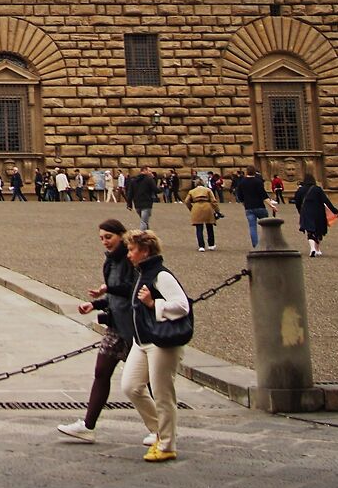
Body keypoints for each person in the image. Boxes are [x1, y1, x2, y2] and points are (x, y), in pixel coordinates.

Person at [57, 218, 138, 443]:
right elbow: (114, 295)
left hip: (135, 328)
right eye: (101, 238)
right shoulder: (110, 262)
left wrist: (108, 289)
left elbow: (135, 289)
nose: (105, 242)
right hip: (116, 325)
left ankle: (162, 429)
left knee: (143, 382)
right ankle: (88, 426)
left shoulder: (133, 257)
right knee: (101, 372)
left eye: (108, 237)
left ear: (121, 235)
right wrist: (95, 304)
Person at [125, 229, 192, 463]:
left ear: (144, 251)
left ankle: (166, 445)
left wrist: (154, 303)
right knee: (131, 387)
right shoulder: (142, 272)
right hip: (142, 340)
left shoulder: (161, 275)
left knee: (163, 394)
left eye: (132, 250)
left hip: (160, 341)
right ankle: (159, 431)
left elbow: (182, 305)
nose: (128, 254)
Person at [291, 172, 338, 258]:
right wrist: (335, 211)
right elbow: (326, 201)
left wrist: (300, 211)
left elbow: (297, 202)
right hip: (318, 212)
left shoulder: (300, 190)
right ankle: (317, 249)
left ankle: (312, 249)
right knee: (318, 230)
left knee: (310, 231)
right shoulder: (317, 189)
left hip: (306, 212)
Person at [234, 166, 270, 249]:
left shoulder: (242, 182)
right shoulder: (258, 182)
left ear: (247, 172)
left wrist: (245, 204)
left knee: (252, 227)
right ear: (254, 172)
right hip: (260, 206)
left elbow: (240, 196)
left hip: (249, 208)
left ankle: (256, 245)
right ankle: (268, 243)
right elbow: (264, 195)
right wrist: (271, 205)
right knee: (267, 226)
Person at [184, 177, 220, 250]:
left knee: (199, 228)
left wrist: (191, 208)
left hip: (196, 207)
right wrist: (217, 210)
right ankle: (211, 245)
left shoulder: (192, 191)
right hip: (207, 207)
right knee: (209, 227)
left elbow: (186, 201)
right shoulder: (208, 190)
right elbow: (213, 201)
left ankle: (201, 246)